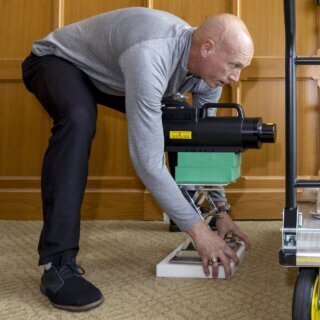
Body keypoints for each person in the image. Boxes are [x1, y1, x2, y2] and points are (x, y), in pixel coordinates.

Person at [21, 7, 254, 312]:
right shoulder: (151, 55)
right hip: (56, 62)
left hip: (110, 73)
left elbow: (204, 145)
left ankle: (191, 208)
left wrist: (219, 211)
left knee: (183, 121)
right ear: (208, 48)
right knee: (79, 119)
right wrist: (199, 233)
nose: (236, 78)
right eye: (234, 65)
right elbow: (146, 161)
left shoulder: (206, 77)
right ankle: (58, 266)